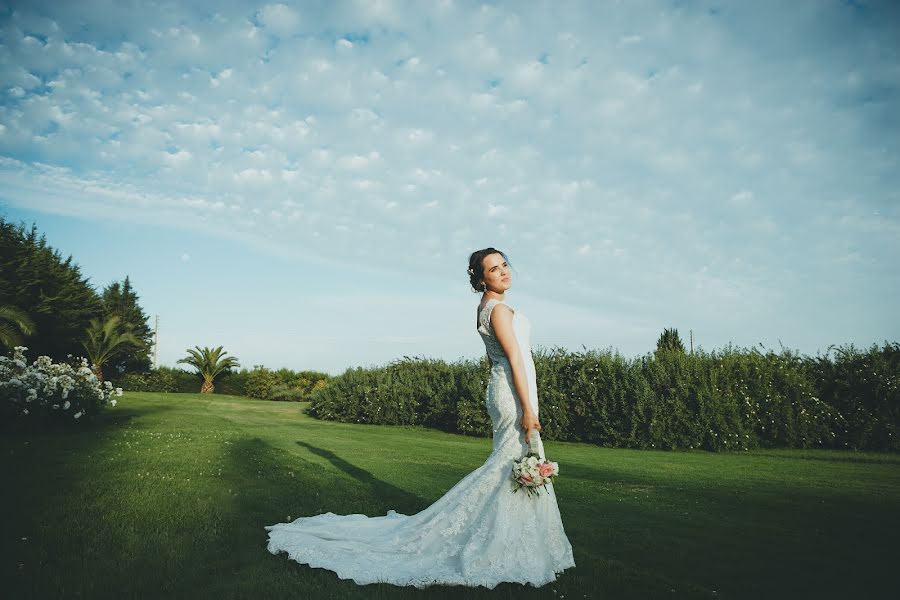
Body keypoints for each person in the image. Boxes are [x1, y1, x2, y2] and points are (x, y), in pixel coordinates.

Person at [264, 247, 575, 588]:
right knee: (514, 462)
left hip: (508, 388)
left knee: (516, 461)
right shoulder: (498, 310)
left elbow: (499, 361)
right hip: (514, 394)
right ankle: (508, 545)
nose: (503, 272)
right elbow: (515, 359)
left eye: (504, 265)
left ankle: (526, 540)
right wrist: (528, 409)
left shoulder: (485, 308)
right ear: (481, 278)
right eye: (493, 269)